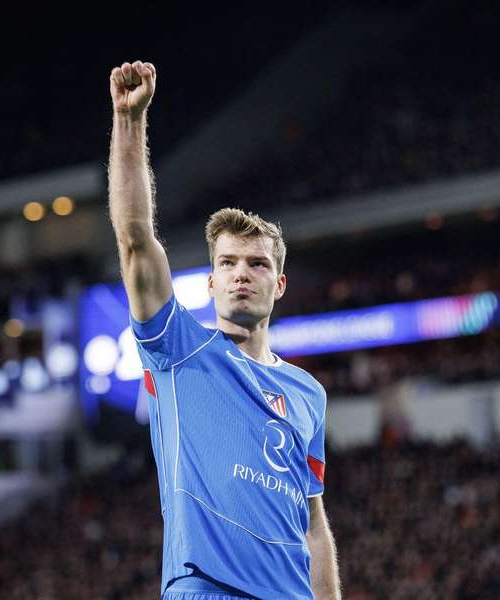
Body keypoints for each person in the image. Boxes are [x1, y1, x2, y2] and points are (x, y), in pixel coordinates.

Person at [108, 59, 342, 600]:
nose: (242, 274)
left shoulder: (309, 393)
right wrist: (130, 121)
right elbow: (136, 240)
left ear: (278, 284)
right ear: (210, 282)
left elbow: (313, 525)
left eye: (257, 264)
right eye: (229, 263)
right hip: (207, 589)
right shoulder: (177, 349)